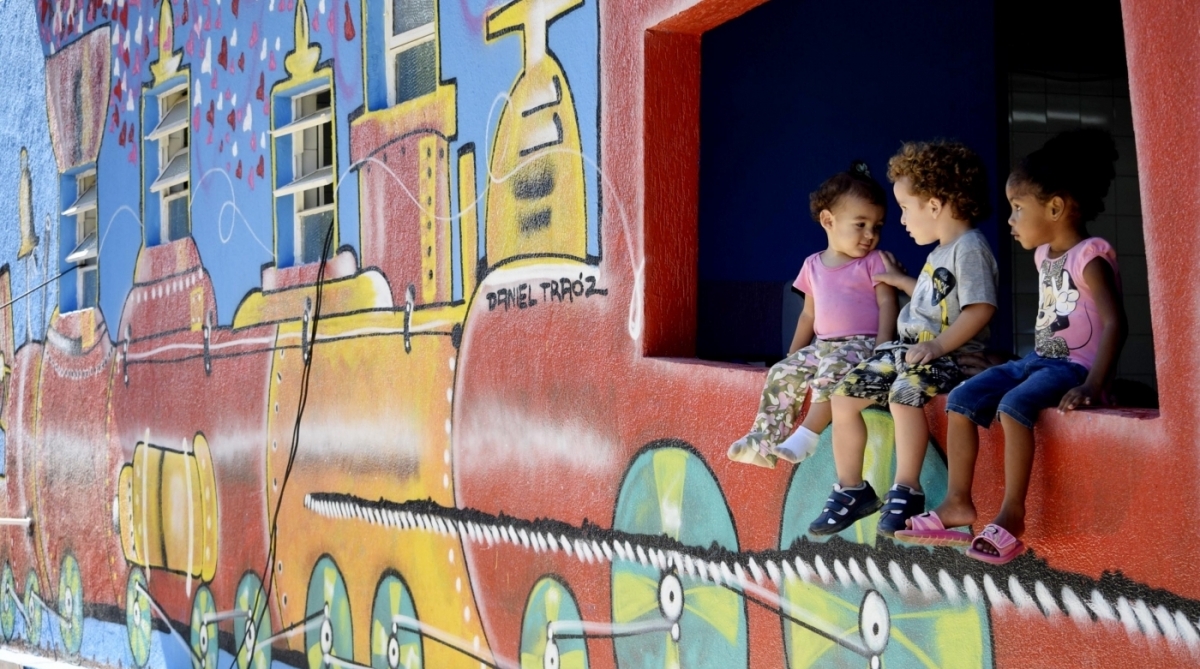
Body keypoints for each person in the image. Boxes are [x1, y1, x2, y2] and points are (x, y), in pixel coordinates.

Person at [896, 129, 1126, 564]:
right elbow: (1056, 324)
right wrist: (1006, 359)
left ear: (1055, 207)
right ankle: (958, 502)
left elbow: (1115, 322)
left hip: (1073, 369)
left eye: (1018, 209)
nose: (1010, 220)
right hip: (1039, 361)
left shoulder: (1089, 255)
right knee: (962, 398)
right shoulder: (1044, 257)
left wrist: (1095, 385)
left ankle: (1012, 514)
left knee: (1013, 407)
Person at [807, 141, 997, 536]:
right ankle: (851, 490)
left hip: (948, 356)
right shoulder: (940, 252)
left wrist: (938, 346)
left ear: (934, 205)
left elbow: (979, 308)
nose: (903, 220)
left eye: (906, 208)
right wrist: (899, 281)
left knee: (903, 396)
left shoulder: (971, 248)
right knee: (843, 395)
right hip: (911, 349)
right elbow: (936, 300)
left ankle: (907, 489)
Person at [728, 162, 898, 468]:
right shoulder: (812, 265)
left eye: (878, 225)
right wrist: (792, 354)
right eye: (860, 224)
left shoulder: (875, 262)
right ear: (828, 220)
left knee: (831, 369)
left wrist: (882, 349)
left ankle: (807, 435)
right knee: (781, 373)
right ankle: (763, 440)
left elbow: (888, 304)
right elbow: (808, 315)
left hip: (862, 345)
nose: (870, 234)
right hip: (822, 345)